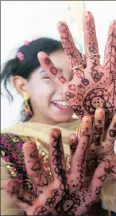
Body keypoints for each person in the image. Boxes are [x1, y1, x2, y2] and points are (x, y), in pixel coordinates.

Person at [0, 38, 104, 215]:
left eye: (73, 78)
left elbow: (114, 194)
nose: (66, 89)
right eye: (49, 77)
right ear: (22, 85)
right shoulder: (6, 144)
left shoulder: (93, 132)